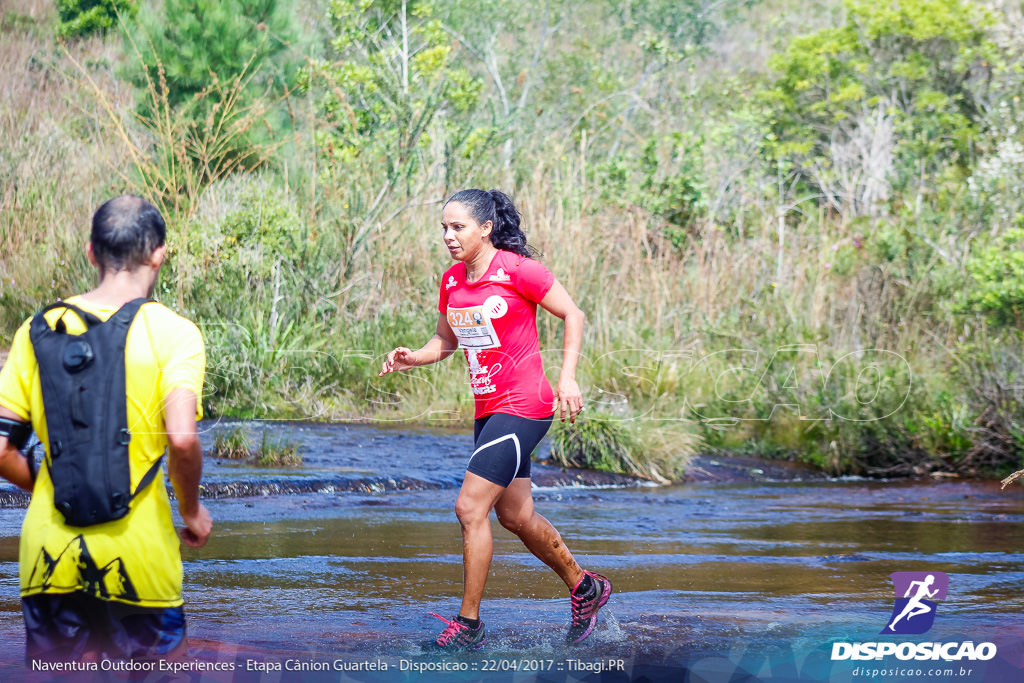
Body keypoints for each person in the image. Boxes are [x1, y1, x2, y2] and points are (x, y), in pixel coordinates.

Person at [379, 188, 611, 650]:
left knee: (469, 507)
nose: (448, 236)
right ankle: (586, 586)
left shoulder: (518, 270)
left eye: (458, 227)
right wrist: (414, 357)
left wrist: (568, 378)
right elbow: (445, 342)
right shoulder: (452, 281)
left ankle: (469, 625)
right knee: (516, 515)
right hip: (488, 411)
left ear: (486, 228)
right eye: (444, 227)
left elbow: (573, 314)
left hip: (525, 405)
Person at [0, 195, 211, 662]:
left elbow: (1, 450)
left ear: (91, 252)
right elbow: (181, 439)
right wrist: (192, 511)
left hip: (47, 562)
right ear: (159, 254)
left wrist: (54, 485)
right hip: (140, 565)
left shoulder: (36, 331)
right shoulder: (176, 333)